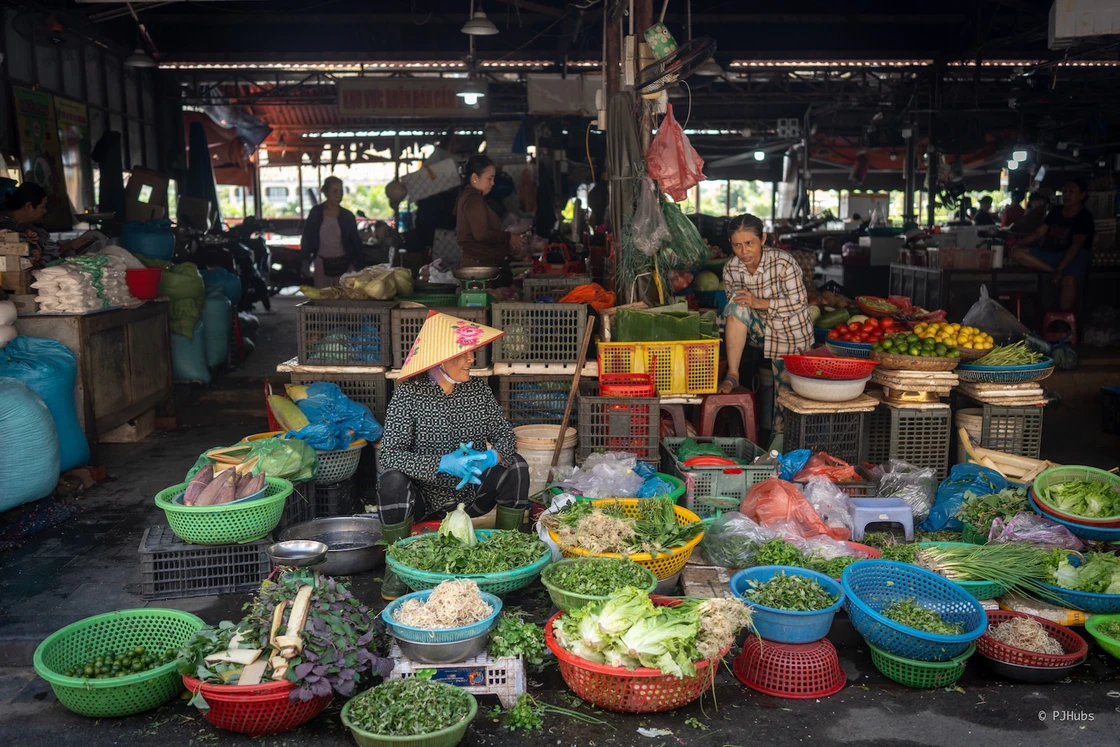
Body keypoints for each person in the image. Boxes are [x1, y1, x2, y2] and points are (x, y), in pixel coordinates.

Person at [376, 311, 529, 599]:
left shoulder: (477, 391)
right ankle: (395, 568)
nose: (471, 360)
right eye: (463, 354)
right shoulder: (408, 394)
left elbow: (505, 435)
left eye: (471, 353)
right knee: (391, 481)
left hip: (471, 494)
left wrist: (492, 458)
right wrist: (441, 464)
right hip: (423, 500)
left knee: (516, 467)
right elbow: (390, 456)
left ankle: (512, 557)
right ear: (438, 359)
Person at [719, 214, 814, 432]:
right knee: (736, 304)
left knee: (784, 401)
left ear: (762, 239)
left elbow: (799, 303)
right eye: (737, 245)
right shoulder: (731, 269)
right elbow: (737, 312)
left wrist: (759, 302)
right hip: (758, 330)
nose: (744, 252)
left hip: (790, 333)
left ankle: (779, 449)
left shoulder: (783, 262)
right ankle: (733, 374)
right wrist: (751, 304)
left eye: (749, 243)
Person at [1012, 178, 1094, 311]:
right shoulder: (1056, 211)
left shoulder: (1085, 217)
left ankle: (1063, 322)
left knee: (1069, 280)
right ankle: (1053, 271)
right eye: (1065, 191)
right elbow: (1039, 233)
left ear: (1082, 195)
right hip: (1052, 255)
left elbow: (1076, 246)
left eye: (1072, 191)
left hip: (1074, 255)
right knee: (1016, 253)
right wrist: (1018, 243)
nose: (1067, 194)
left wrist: (1061, 267)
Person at [455, 155, 526, 278]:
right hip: (478, 269)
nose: (493, 183)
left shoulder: (471, 197)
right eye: (489, 178)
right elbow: (481, 234)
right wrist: (508, 237)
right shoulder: (473, 199)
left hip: (479, 265)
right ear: (475, 178)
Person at [0, 182, 93, 261]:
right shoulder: (6, 228)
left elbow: (48, 249)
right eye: (43, 206)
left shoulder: (24, 227)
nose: (45, 211)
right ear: (29, 206)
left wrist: (71, 245)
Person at [300, 176, 364, 288]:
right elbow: (307, 238)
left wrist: (360, 266)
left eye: (341, 191)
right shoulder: (316, 213)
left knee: (343, 300)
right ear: (326, 192)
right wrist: (305, 261)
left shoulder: (347, 216)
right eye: (335, 191)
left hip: (344, 265)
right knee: (323, 299)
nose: (339, 195)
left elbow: (356, 242)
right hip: (321, 265)